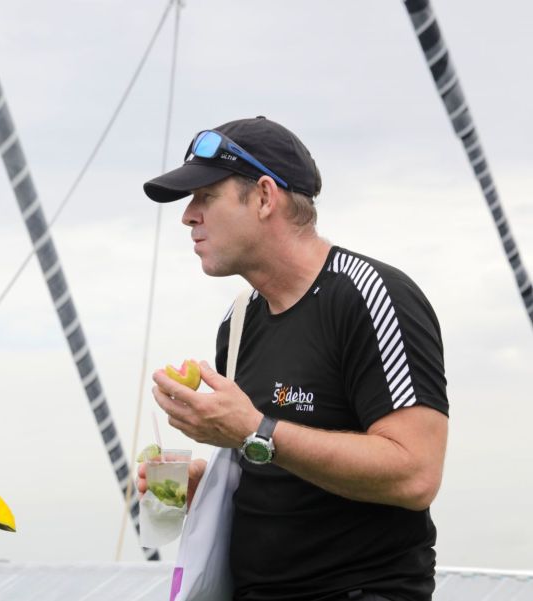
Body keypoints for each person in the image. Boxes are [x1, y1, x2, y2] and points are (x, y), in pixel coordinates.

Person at [140, 116, 449, 601]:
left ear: (264, 197)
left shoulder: (372, 296)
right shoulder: (239, 320)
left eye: (205, 196)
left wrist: (253, 431)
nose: (188, 216)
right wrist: (210, 490)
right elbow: (269, 458)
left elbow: (415, 475)